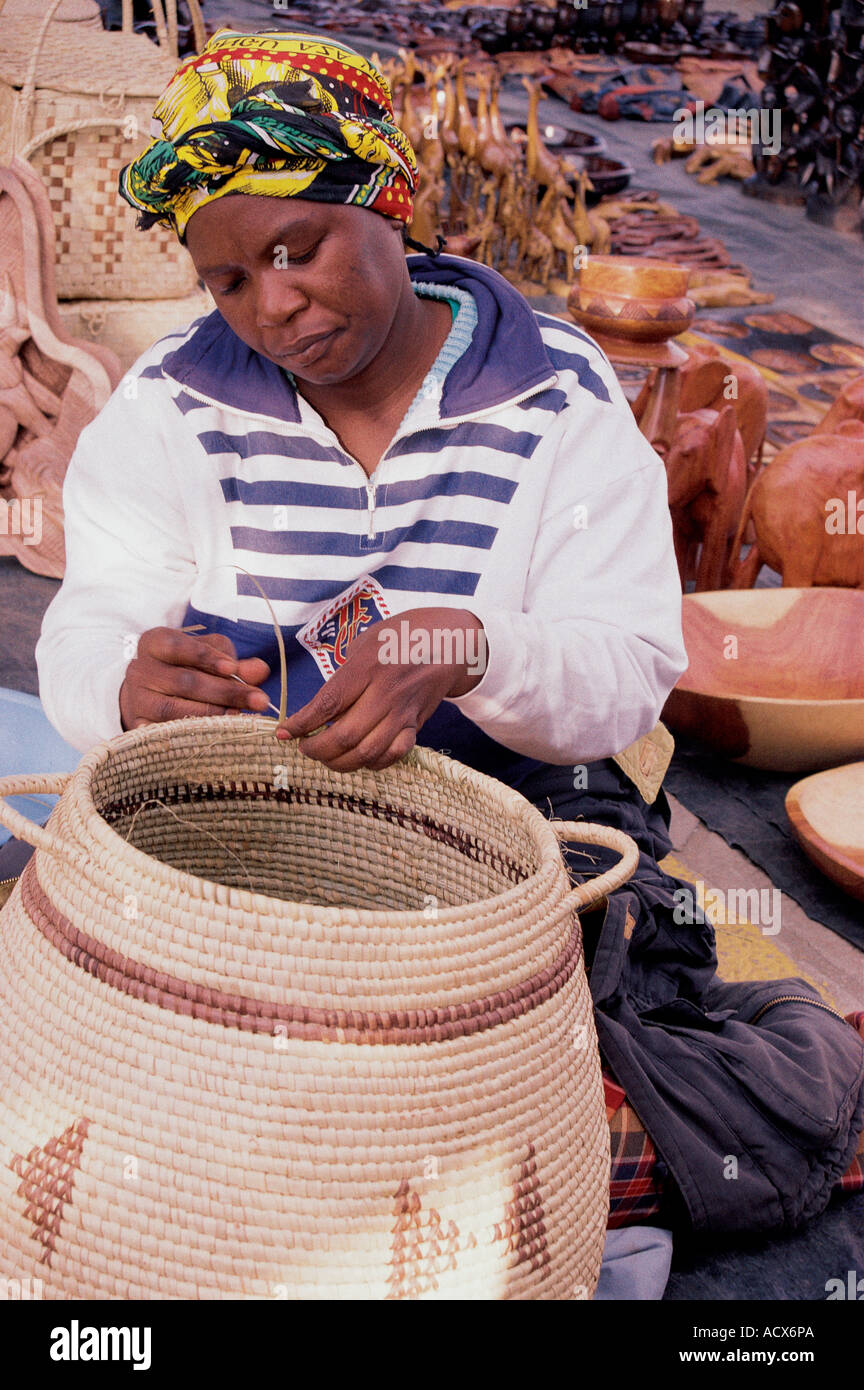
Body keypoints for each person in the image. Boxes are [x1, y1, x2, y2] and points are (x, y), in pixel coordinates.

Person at [35, 29, 864, 1240]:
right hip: (257, 818)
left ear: (392, 204)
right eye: (227, 279)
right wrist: (120, 681)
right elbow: (89, 623)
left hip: (526, 812)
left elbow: (630, 671)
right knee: (146, 994)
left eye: (297, 246)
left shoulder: (554, 400)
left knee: (452, 1047)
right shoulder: (170, 409)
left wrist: (472, 650)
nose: (272, 304)